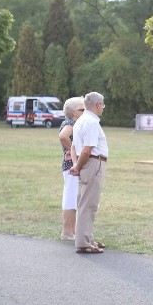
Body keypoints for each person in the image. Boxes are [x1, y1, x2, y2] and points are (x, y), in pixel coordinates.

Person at [69, 92, 109, 254]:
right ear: (98, 104)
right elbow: (87, 150)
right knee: (89, 204)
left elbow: (73, 147)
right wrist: (78, 166)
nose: (103, 108)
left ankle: (86, 237)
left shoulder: (80, 121)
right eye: (103, 105)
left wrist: (75, 164)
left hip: (85, 163)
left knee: (84, 202)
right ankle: (83, 242)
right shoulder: (92, 123)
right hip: (93, 163)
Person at [59, 96, 85, 240]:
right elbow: (63, 136)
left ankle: (72, 231)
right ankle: (67, 231)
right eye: (82, 109)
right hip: (71, 166)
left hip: (72, 165)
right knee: (70, 198)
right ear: (74, 112)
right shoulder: (71, 123)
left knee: (74, 197)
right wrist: (73, 151)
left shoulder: (75, 123)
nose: (85, 111)